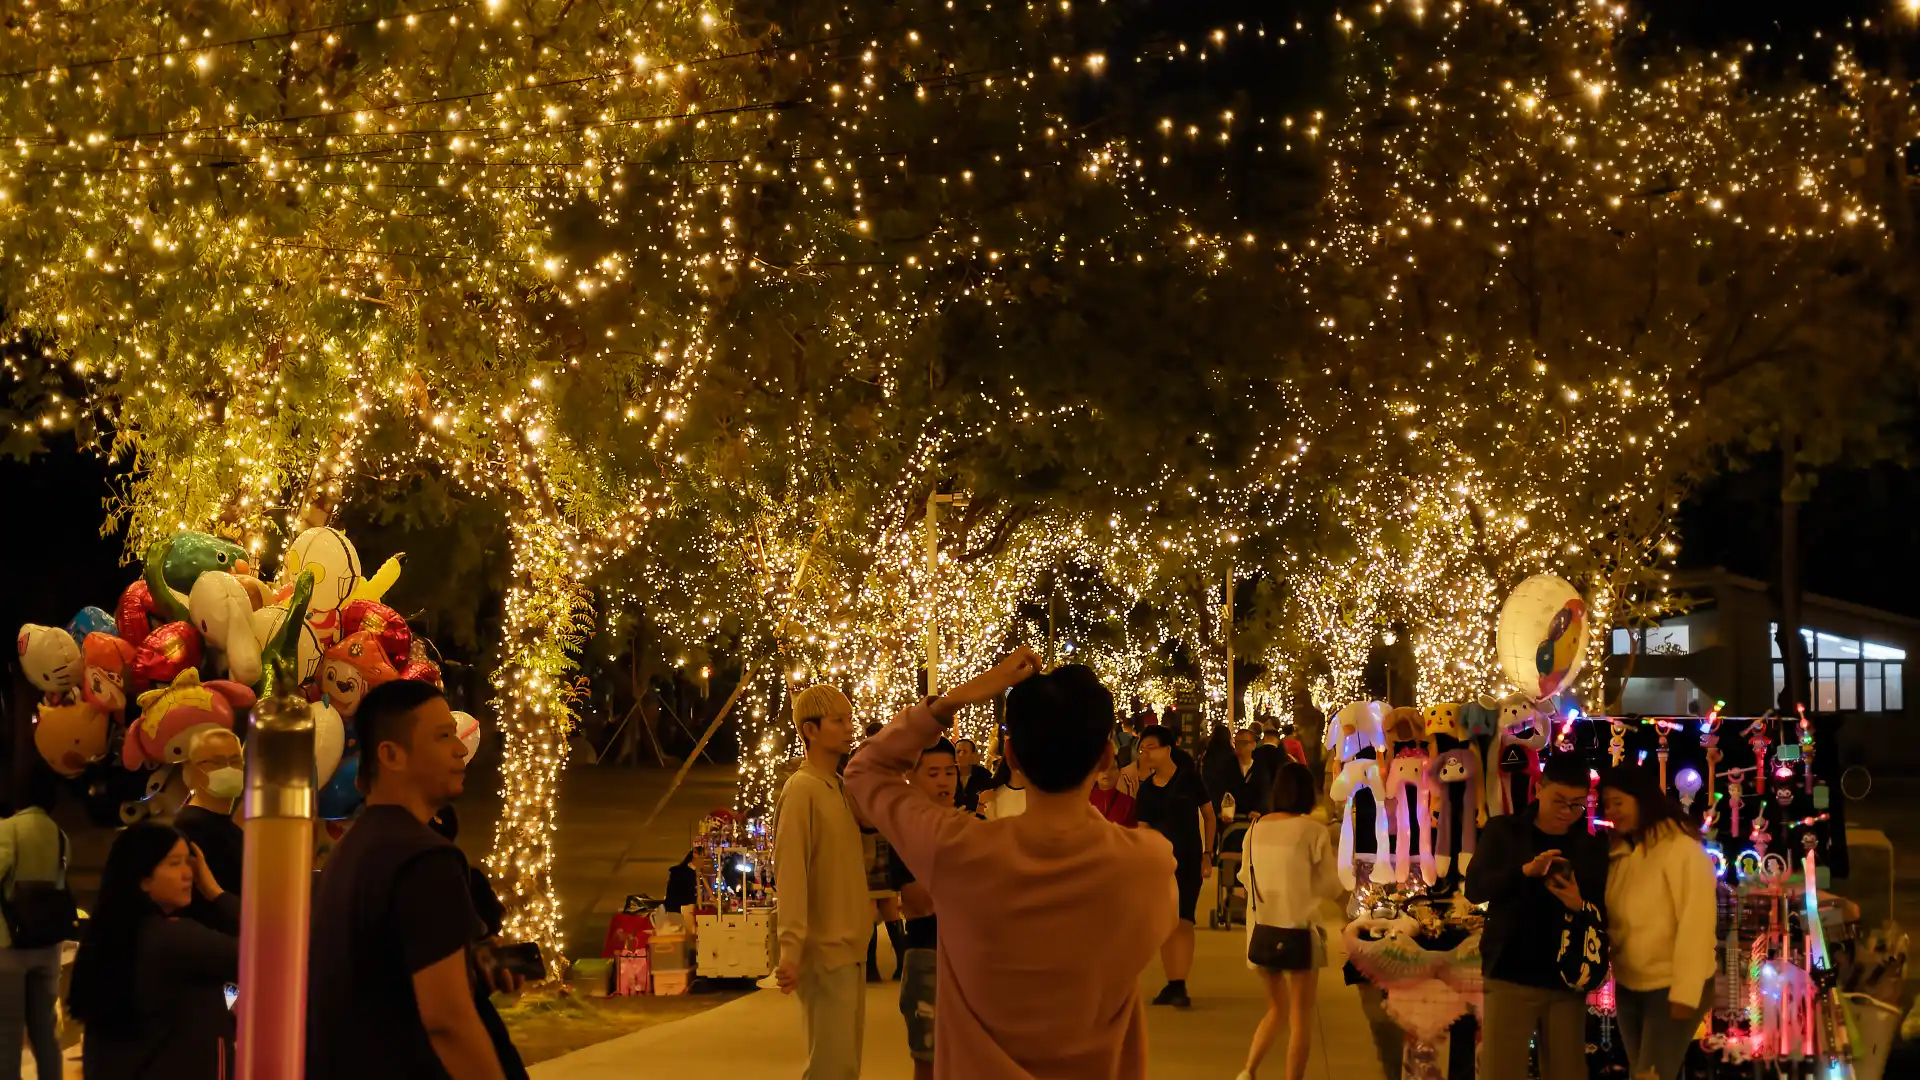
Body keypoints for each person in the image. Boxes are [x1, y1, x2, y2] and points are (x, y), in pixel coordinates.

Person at [846, 651, 1177, 1078]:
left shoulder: (957, 850)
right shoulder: (1145, 863)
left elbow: (866, 769)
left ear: (1011, 755)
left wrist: (954, 700)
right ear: (1107, 757)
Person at [308, 679, 523, 1080]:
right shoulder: (424, 859)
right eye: (443, 736)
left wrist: (471, 973)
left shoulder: (350, 855)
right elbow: (447, 1021)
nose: (460, 749)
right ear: (391, 755)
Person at [1465, 754, 1609, 1080]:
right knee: (1501, 1070)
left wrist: (1577, 903)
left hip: (1566, 978)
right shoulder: (1506, 831)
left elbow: (1600, 911)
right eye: (1559, 800)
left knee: (1566, 1071)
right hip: (1510, 972)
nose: (1567, 812)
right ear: (1539, 789)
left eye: (1577, 804)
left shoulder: (1589, 847)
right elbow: (1475, 889)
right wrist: (1524, 872)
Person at [67, 822, 237, 1079]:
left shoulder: (115, 934)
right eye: (174, 863)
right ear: (144, 879)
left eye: (188, 862)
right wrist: (214, 891)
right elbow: (267, 952)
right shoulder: (174, 939)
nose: (188, 873)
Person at [771, 684, 870, 1080]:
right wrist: (790, 948)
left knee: (845, 1067)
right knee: (831, 1068)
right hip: (825, 952)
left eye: (850, 719)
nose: (849, 728)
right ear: (810, 730)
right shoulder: (801, 791)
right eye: (838, 721)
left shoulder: (839, 787)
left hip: (850, 948)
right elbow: (791, 872)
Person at [1600, 765, 1718, 1080]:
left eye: (1618, 802)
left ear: (1641, 799)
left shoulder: (1681, 850)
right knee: (1642, 1072)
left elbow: (1696, 922)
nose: (1611, 811)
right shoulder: (1621, 855)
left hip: (1670, 986)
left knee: (1651, 1075)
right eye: (1606, 804)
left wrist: (1685, 992)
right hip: (1630, 985)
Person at [1237, 763, 1342, 1080]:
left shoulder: (1253, 830)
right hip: (1300, 930)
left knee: (1277, 1008)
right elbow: (1329, 886)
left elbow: (1245, 878)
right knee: (1300, 1018)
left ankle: (1249, 1070)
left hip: (1261, 932)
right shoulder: (1312, 831)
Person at [889, 737, 959, 1080]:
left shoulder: (968, 824)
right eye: (933, 773)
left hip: (969, 956)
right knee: (928, 1059)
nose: (944, 780)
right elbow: (917, 900)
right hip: (927, 953)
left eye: (950, 771)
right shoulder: (907, 831)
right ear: (911, 778)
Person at [1133, 724, 1214, 1007]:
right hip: (1159, 864)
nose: (1147, 754)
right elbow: (1141, 829)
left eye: (1152, 748)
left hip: (1188, 859)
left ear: (1168, 749)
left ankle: (1180, 984)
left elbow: (1209, 815)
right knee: (1166, 923)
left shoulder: (1189, 780)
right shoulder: (1146, 790)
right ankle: (1173, 982)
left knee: (1183, 920)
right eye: (1143, 750)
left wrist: (1208, 853)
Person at [0, 767, 68, 1080]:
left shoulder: (8, 829)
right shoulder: (60, 834)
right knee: (45, 1032)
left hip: (9, 945)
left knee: (8, 1034)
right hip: (48, 945)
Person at [173, 727, 246, 895]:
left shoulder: (230, 828)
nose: (229, 769)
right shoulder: (190, 828)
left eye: (235, 761)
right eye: (217, 763)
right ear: (191, 770)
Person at [1089, 759, 1136, 826]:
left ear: (1120, 772)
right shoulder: (1084, 801)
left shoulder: (1129, 802)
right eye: (1102, 768)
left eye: (1112, 768)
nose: (1107, 772)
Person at [953, 738, 994, 810]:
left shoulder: (984, 775)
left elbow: (988, 801)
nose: (961, 755)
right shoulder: (948, 774)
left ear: (973, 755)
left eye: (965, 752)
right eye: (958, 751)